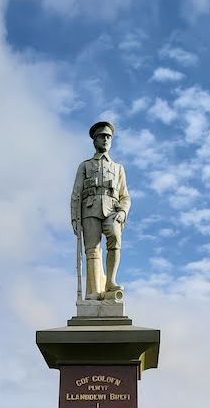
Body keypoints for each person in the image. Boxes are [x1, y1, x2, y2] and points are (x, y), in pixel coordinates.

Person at [70, 120, 131, 300]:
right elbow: (76, 194)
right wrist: (75, 218)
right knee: (92, 250)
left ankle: (110, 282)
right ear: (95, 140)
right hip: (90, 209)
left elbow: (125, 196)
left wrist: (123, 212)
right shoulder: (85, 165)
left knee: (115, 239)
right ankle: (94, 290)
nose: (105, 139)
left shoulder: (118, 168)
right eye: (101, 136)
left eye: (108, 137)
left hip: (112, 210)